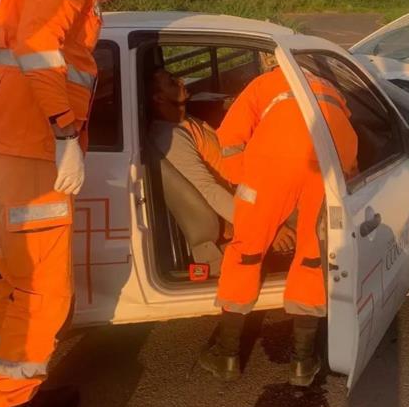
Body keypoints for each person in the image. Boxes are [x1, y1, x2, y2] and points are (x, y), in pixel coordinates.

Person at [0, 0, 153, 407]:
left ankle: (7, 403)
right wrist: (62, 134)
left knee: (18, 287)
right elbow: (37, 48)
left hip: (26, 147)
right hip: (34, 149)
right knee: (42, 296)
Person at [199, 61, 358, 388]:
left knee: (246, 254)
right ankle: (302, 363)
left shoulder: (264, 83)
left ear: (274, 63)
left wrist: (243, 181)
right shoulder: (331, 89)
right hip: (328, 166)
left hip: (272, 167)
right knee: (313, 259)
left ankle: (227, 355)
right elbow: (349, 138)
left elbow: (228, 138)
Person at [147, 67, 296, 274]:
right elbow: (208, 190)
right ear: (159, 98)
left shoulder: (187, 122)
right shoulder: (170, 137)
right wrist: (267, 227)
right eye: (172, 82)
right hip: (246, 211)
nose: (181, 81)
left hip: (253, 197)